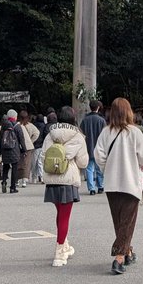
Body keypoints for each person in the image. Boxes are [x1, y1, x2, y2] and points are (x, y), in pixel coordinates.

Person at [92, 98, 143, 276]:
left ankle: (128, 251)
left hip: (112, 182)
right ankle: (119, 258)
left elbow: (98, 155)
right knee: (127, 221)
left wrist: (107, 168)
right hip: (131, 182)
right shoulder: (135, 132)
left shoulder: (106, 132)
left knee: (119, 221)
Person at [39, 106, 89, 267]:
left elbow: (43, 156)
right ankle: (59, 252)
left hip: (52, 179)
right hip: (68, 179)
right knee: (64, 216)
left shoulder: (50, 134)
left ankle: (65, 244)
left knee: (60, 214)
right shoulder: (78, 136)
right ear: (73, 119)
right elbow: (83, 162)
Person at [0, 112, 24, 194]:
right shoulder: (17, 126)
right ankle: (13, 187)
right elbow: (21, 139)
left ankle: (4, 181)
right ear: (15, 117)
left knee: (5, 166)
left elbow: (0, 139)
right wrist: (24, 150)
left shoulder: (3, 126)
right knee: (14, 168)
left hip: (5, 149)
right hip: (14, 149)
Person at [80, 100, 107, 196]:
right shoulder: (102, 120)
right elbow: (105, 136)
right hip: (99, 148)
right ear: (98, 107)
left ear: (90, 107)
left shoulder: (85, 120)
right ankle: (100, 186)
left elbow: (81, 134)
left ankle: (91, 188)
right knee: (99, 168)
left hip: (88, 147)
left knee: (89, 168)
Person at [16, 110, 40, 188]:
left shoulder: (17, 125)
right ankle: (24, 181)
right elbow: (37, 133)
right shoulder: (30, 125)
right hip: (28, 146)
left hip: (19, 146)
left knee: (18, 162)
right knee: (27, 164)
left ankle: (17, 180)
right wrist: (31, 141)